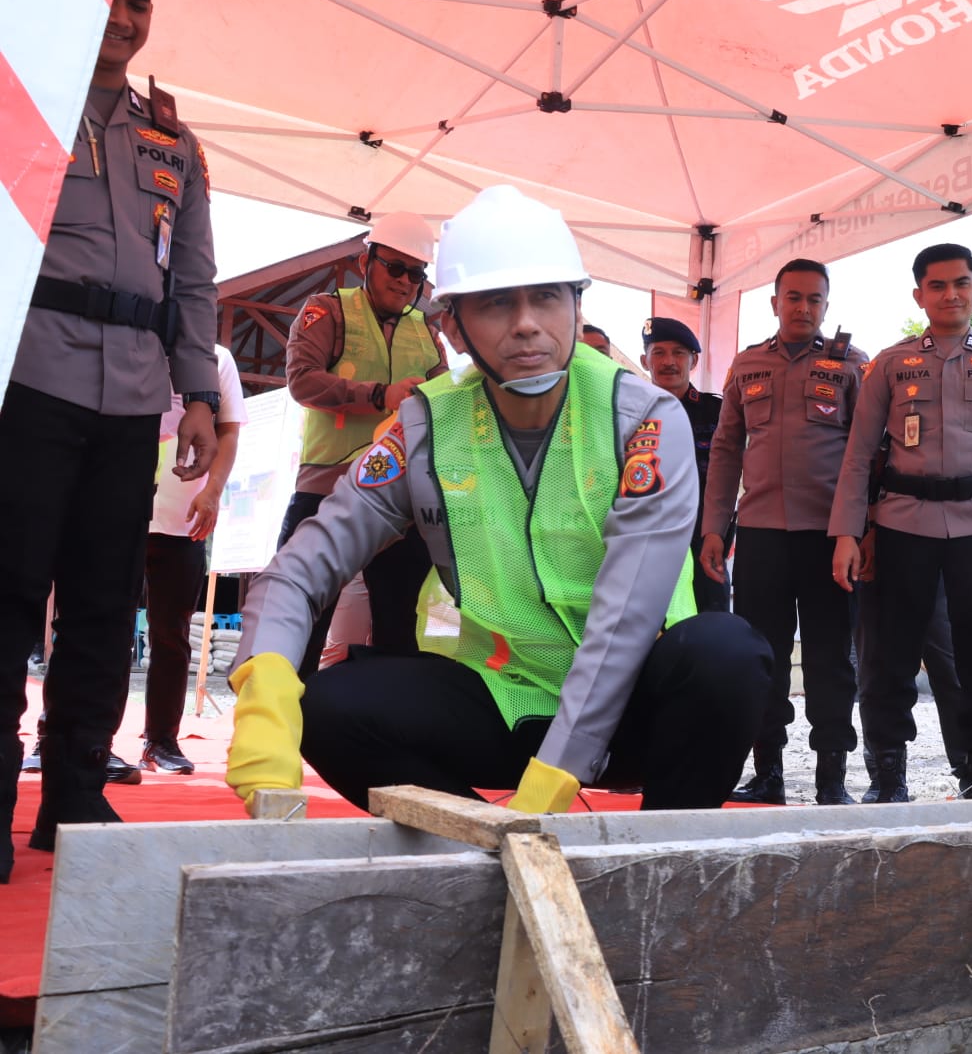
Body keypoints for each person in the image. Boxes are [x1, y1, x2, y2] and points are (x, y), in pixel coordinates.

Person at [225, 186, 771, 816]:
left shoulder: (643, 418)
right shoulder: (425, 427)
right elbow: (302, 567)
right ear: (452, 326)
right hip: (507, 695)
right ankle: (479, 852)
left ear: (576, 302)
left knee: (726, 655)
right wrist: (263, 681)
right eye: (494, 304)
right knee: (327, 705)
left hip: (636, 705)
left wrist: (556, 775)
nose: (527, 324)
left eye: (546, 296)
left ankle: (661, 870)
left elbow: (626, 618)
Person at [1, 0, 221, 880]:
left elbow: (196, 279)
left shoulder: (174, 140)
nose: (122, 19)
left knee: (103, 602)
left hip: (134, 399)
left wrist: (198, 393)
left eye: (138, 2)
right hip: (30, 381)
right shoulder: (19, 100)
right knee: (9, 594)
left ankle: (76, 794)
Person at [830, 243, 972, 801]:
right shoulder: (890, 363)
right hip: (903, 525)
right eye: (937, 285)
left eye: (961, 283)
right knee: (887, 657)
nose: (951, 294)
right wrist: (845, 535)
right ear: (919, 295)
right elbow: (858, 456)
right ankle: (888, 779)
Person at [701, 259, 868, 805]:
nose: (803, 308)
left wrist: (857, 531)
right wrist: (713, 529)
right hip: (761, 534)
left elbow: (868, 454)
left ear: (826, 304)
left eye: (814, 299)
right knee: (762, 657)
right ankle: (766, 772)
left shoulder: (851, 368)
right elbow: (726, 450)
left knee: (829, 658)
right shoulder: (746, 366)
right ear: (774, 303)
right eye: (792, 297)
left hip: (829, 539)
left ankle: (831, 779)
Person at [278, 211, 447, 676]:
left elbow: (446, 406)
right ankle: (280, 732)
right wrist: (379, 395)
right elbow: (302, 380)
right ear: (364, 261)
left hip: (399, 498)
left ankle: (388, 737)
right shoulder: (327, 310)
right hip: (327, 488)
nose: (405, 282)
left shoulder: (428, 333)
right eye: (395, 267)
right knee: (301, 618)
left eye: (416, 274)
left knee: (401, 627)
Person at [139, 344, 246, 773]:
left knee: (172, 636)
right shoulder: (128, 340)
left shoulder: (215, 359)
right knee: (92, 624)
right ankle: (70, 734)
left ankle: (161, 742)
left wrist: (213, 492)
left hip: (183, 521)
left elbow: (230, 430)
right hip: (116, 513)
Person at [641, 317, 727, 612]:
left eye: (678, 353)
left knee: (712, 628)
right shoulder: (629, 413)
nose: (668, 362)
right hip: (645, 542)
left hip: (704, 540)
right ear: (644, 360)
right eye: (659, 353)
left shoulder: (718, 412)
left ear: (693, 361)